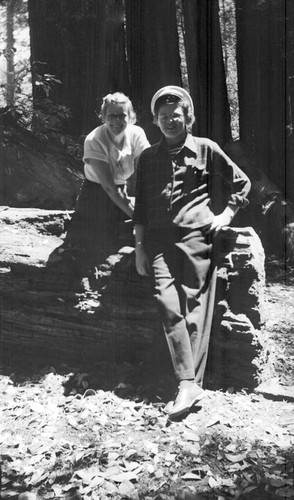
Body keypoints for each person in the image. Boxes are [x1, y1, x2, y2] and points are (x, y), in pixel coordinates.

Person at [133, 85, 251, 420]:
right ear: (155, 121)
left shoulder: (206, 149)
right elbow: (141, 206)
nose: (170, 121)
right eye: (163, 116)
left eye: (176, 115)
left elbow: (241, 183)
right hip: (157, 243)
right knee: (167, 303)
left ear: (188, 117)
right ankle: (189, 381)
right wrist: (140, 247)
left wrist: (226, 215)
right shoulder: (147, 158)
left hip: (197, 239)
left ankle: (187, 384)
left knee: (195, 306)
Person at [70, 92, 150, 251]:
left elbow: (148, 165)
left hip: (121, 191)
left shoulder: (136, 133)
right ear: (103, 116)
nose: (117, 120)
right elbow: (109, 188)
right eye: (112, 115)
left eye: (122, 115)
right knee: (102, 245)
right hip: (95, 197)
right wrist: (138, 217)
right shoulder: (95, 140)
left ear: (130, 116)